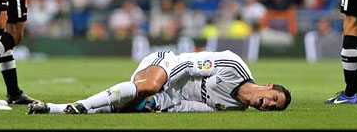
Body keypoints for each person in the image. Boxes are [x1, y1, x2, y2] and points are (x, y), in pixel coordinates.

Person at [27, 49, 292, 114]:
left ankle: (55, 108)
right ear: (269, 86)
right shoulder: (234, 66)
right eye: (274, 98)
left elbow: (189, 106)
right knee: (149, 87)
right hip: (166, 64)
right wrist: (158, 89)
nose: (269, 104)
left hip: (169, 92)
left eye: (274, 107)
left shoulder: (235, 108)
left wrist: (161, 103)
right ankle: (83, 104)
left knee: (134, 106)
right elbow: (187, 66)